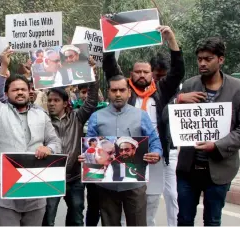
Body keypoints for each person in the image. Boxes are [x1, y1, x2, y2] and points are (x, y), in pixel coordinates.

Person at [0, 41, 61, 226]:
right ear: (7, 93)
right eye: (15, 90)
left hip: (37, 187)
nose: (20, 93)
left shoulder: (40, 114)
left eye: (23, 89)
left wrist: (49, 148)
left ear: (29, 92)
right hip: (5, 189)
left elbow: (55, 141)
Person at [103, 25, 185, 226]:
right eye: (137, 71)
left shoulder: (161, 90)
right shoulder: (124, 91)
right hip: (127, 152)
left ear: (151, 74)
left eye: (145, 72)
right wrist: (113, 39)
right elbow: (110, 66)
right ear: (131, 74)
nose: (141, 75)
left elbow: (178, 71)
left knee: (152, 200)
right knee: (127, 199)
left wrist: (172, 41)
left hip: (155, 154)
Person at [174, 37, 240, 226]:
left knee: (212, 220)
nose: (202, 63)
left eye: (208, 59)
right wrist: (179, 100)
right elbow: (167, 117)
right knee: (184, 219)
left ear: (221, 60)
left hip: (220, 169)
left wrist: (216, 145)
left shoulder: (237, 89)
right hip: (188, 168)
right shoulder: (189, 86)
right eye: (199, 59)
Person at [79, 75, 162, 226]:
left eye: (122, 90)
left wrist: (157, 153)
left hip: (134, 184)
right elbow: (90, 145)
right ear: (108, 92)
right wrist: (86, 157)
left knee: (137, 223)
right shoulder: (96, 117)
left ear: (129, 92)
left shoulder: (141, 115)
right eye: (114, 90)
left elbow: (154, 140)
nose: (118, 94)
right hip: (106, 185)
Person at [42, 58, 98, 226]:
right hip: (50, 178)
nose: (52, 104)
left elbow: (92, 101)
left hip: (74, 178)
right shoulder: (41, 119)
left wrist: (92, 75)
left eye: (56, 100)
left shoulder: (77, 117)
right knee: (48, 218)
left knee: (76, 217)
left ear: (66, 103)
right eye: (50, 100)